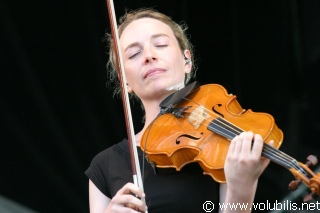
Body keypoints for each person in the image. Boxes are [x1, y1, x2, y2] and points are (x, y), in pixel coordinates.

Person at [85, 8, 272, 213]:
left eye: (161, 44)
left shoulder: (219, 145)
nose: (149, 55)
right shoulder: (104, 166)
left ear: (187, 61)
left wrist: (241, 190)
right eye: (134, 54)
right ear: (125, 82)